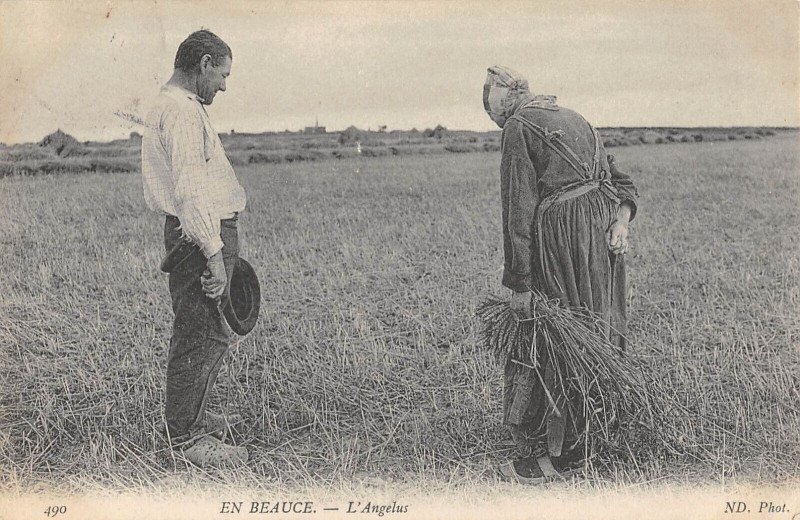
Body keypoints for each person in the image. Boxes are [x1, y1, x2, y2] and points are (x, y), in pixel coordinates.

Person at [482, 66, 639, 483]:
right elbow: (621, 182)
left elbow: (517, 209)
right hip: (601, 234)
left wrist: (519, 284)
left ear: (505, 96)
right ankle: (599, 432)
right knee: (595, 330)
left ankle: (568, 455)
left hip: (563, 242)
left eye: (491, 104)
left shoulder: (519, 125)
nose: (494, 116)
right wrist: (620, 223)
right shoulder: (576, 117)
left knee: (564, 337)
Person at [141, 30, 248, 467]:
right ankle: (184, 440)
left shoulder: (170, 105)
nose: (223, 85)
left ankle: (189, 420)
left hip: (195, 235)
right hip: (198, 236)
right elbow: (189, 192)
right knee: (202, 332)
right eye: (221, 74)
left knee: (203, 329)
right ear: (203, 63)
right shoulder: (182, 113)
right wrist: (213, 253)